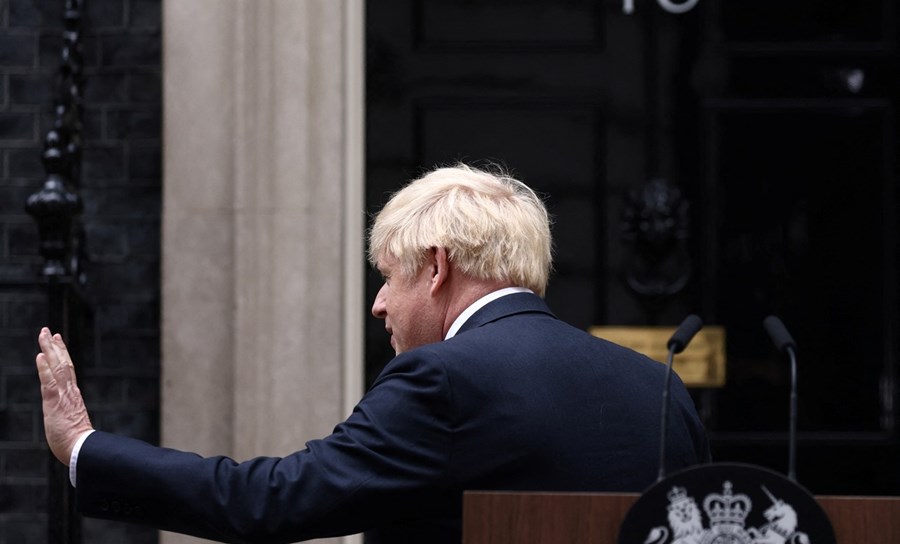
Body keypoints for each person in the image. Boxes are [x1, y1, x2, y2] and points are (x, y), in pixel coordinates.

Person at [36, 163, 710, 544]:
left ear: (438, 267)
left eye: (388, 276)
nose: (379, 304)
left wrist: (85, 448)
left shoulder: (442, 379)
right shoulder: (659, 386)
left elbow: (266, 502)